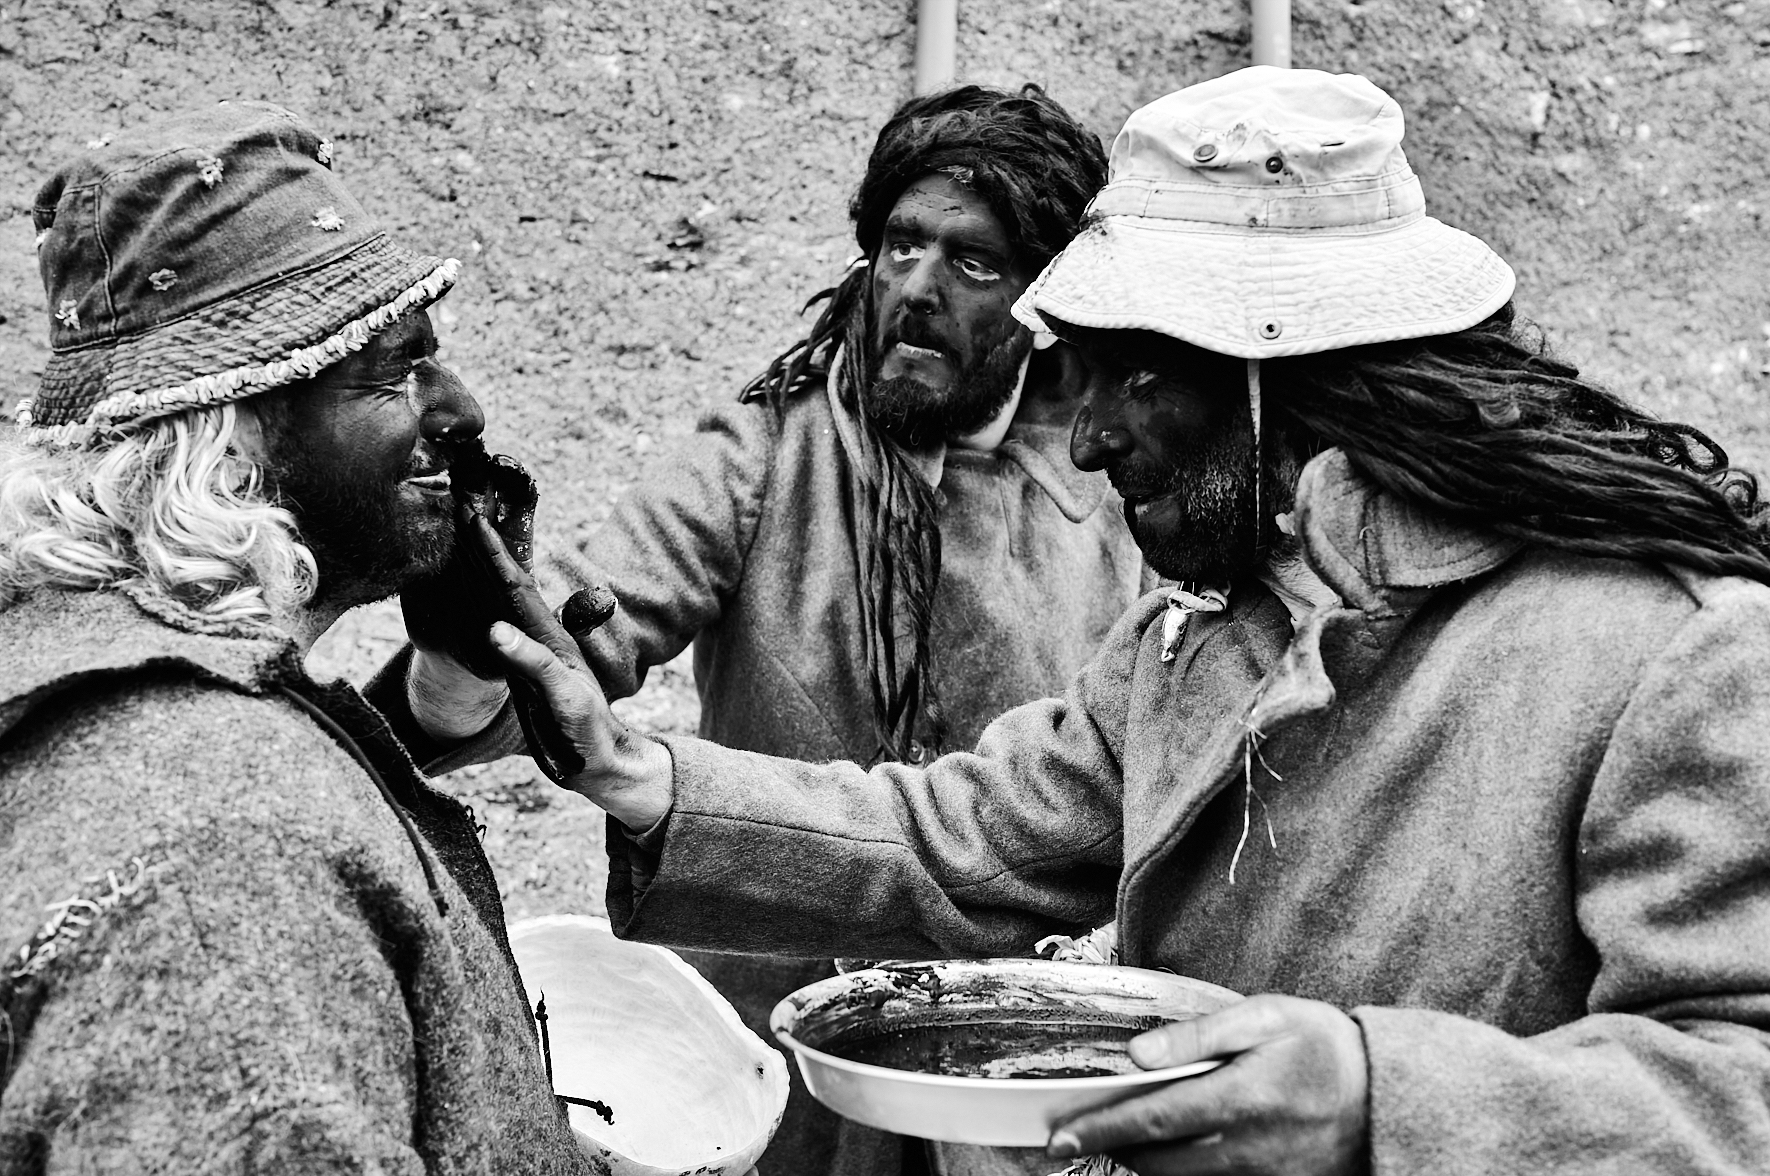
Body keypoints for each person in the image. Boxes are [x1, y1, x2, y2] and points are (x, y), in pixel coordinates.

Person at [480, 67, 1770, 1175]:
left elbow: (1738, 1084)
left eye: (1131, 377)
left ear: (1282, 372)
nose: (1087, 441)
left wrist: (1379, 1099)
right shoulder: (1198, 632)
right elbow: (971, 838)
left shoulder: (1671, 651)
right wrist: (636, 775)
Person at [392, 83, 1141, 1176]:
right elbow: (592, 627)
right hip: (776, 1038)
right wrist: (475, 644)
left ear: (1042, 300)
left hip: (1012, 1062)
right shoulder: (770, 448)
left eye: (974, 262)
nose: (917, 287)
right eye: (901, 245)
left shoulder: (1112, 488)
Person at [0, 101, 593, 1171]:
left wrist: (460, 668)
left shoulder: (107, 670)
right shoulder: (227, 868)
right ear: (227, 432)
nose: (461, 411)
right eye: (393, 368)